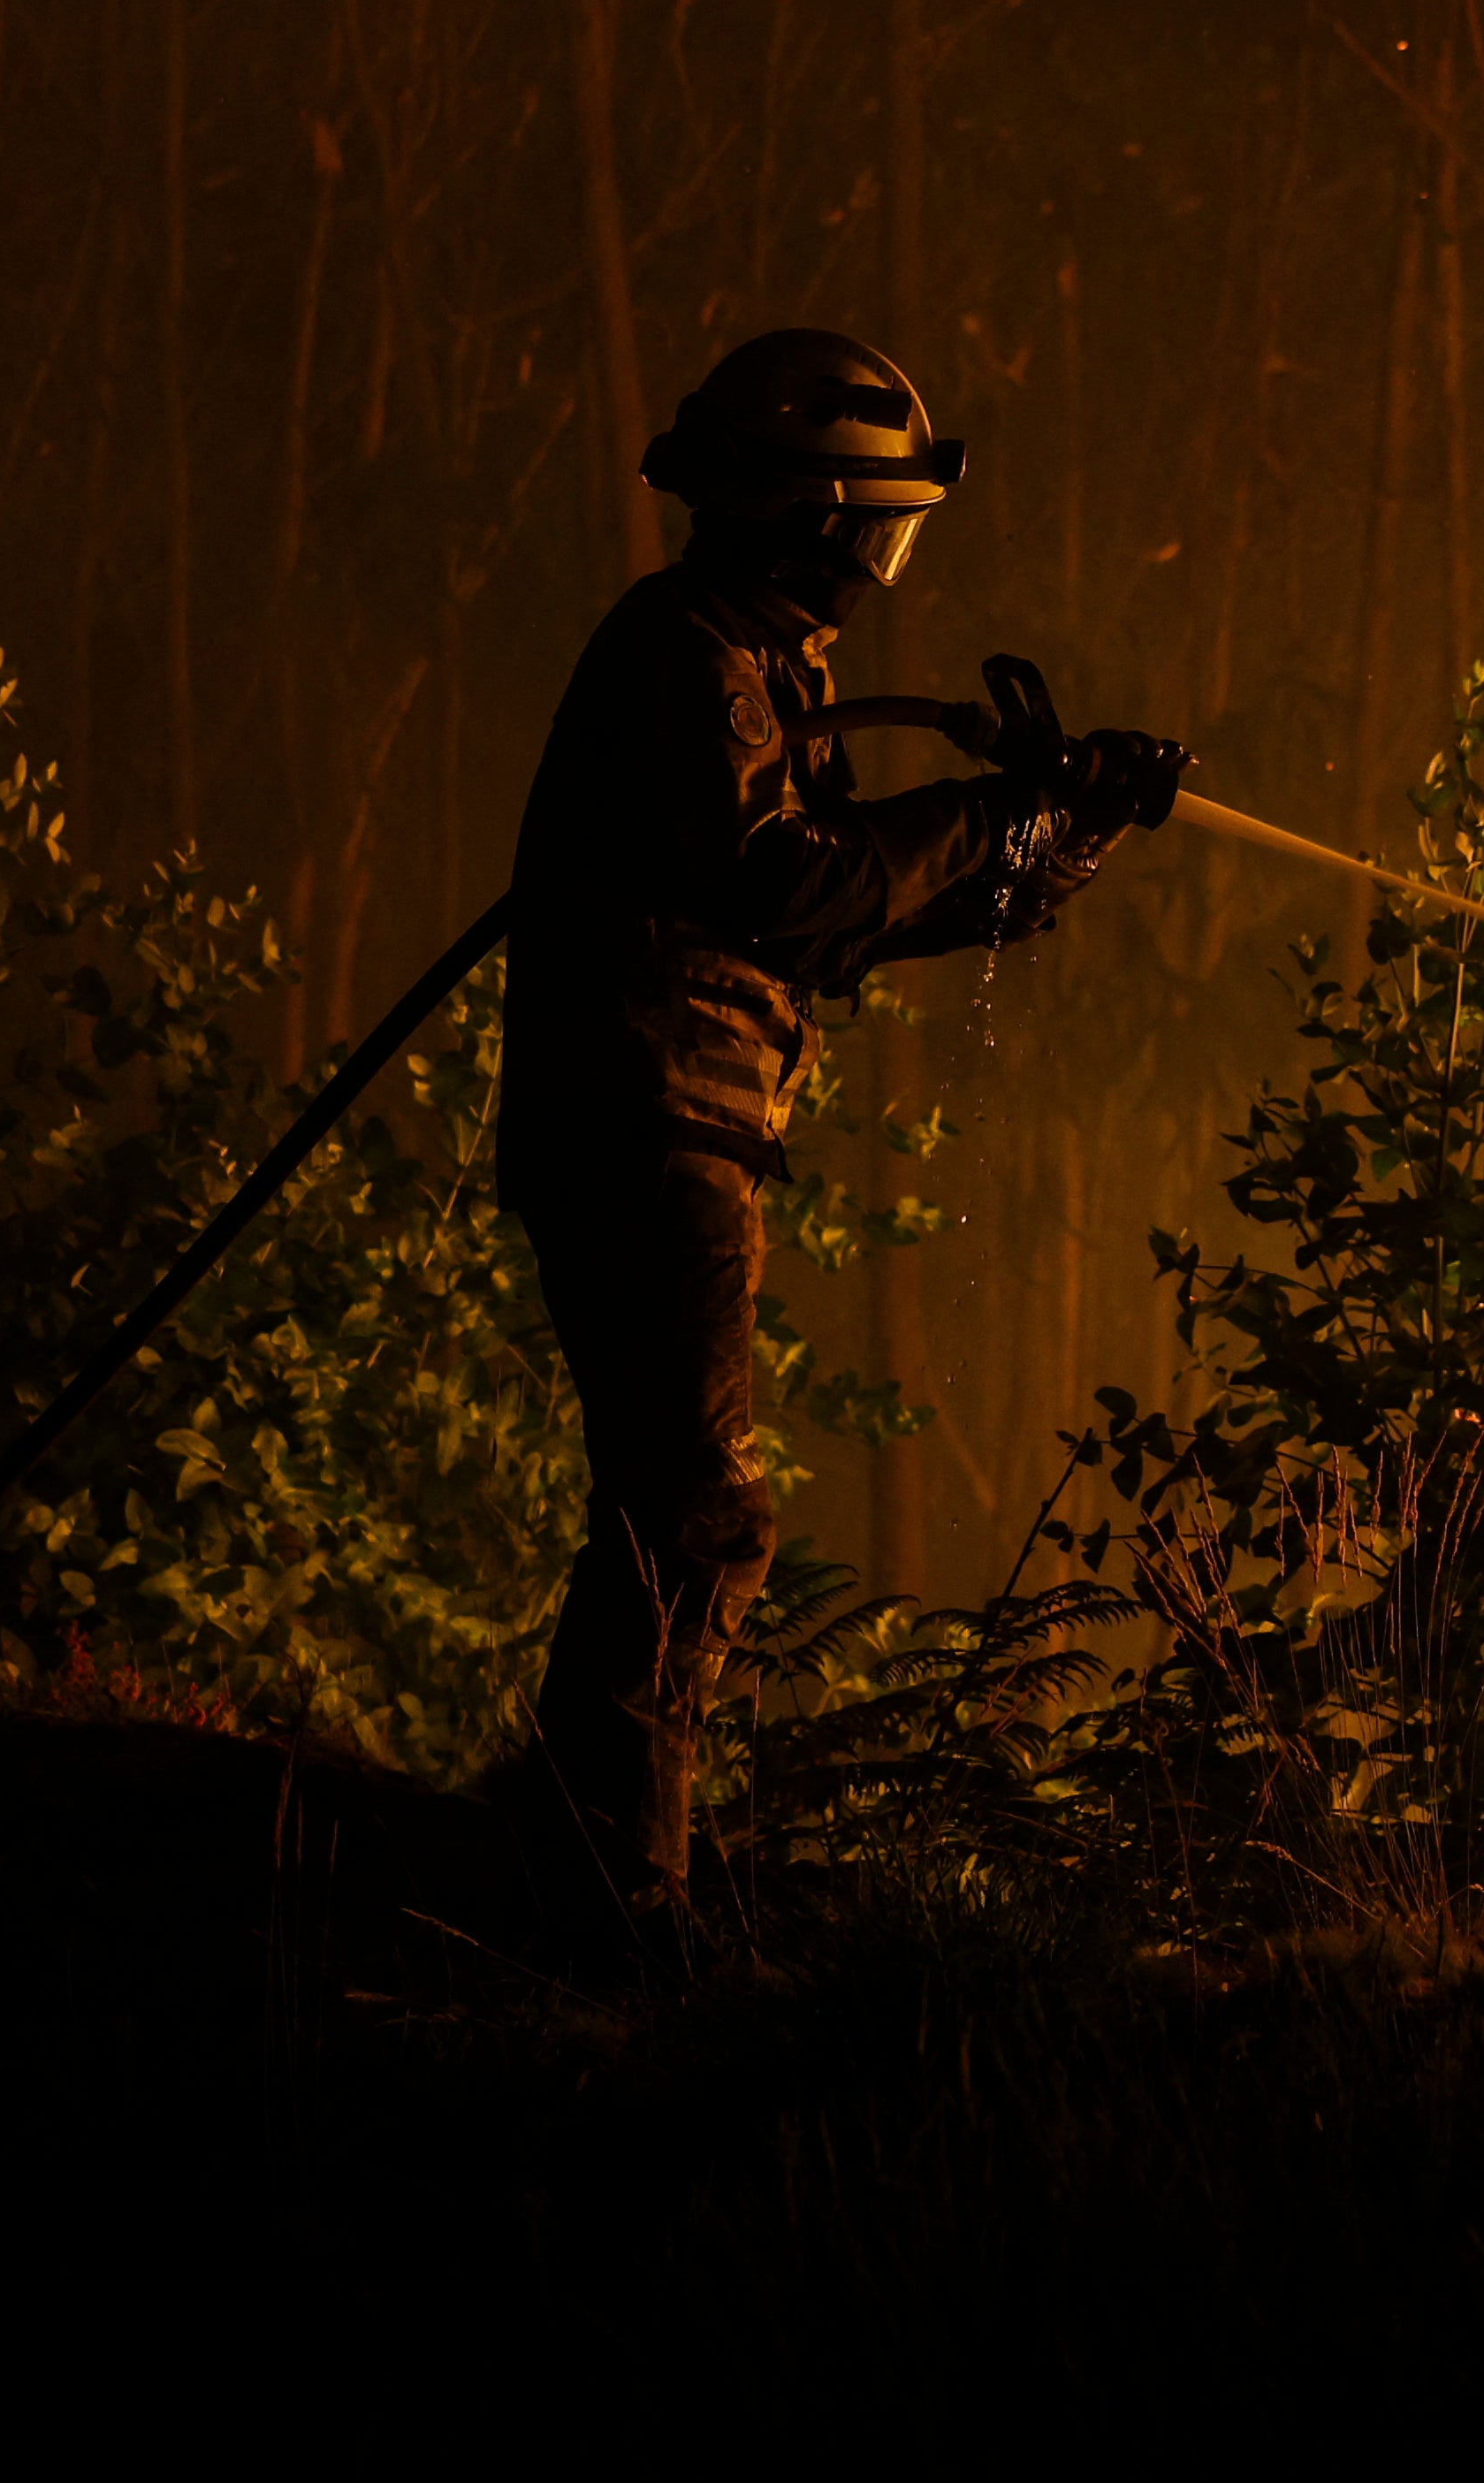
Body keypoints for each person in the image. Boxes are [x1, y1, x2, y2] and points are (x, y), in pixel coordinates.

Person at [493, 327, 1180, 1928]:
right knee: (694, 1514)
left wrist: (1053, 844)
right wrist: (987, 820)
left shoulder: (758, 667)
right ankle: (615, 1895)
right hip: (642, 1119)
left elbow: (842, 920)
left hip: (675, 1120)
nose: (886, 563)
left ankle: (581, 1841)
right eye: (882, 525)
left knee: (668, 1505)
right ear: (818, 514)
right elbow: (784, 887)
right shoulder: (684, 659)